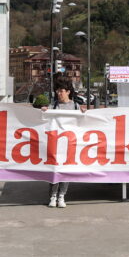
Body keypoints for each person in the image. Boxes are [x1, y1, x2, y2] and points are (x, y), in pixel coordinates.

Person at [41, 80, 86, 208]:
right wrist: (44, 111)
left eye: (61, 91)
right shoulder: (54, 105)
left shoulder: (75, 106)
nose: (59, 93)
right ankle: (53, 196)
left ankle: (61, 196)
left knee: (66, 170)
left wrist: (84, 113)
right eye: (57, 91)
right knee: (54, 170)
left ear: (68, 92)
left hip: (70, 143)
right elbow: (45, 119)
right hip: (55, 143)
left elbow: (82, 121)